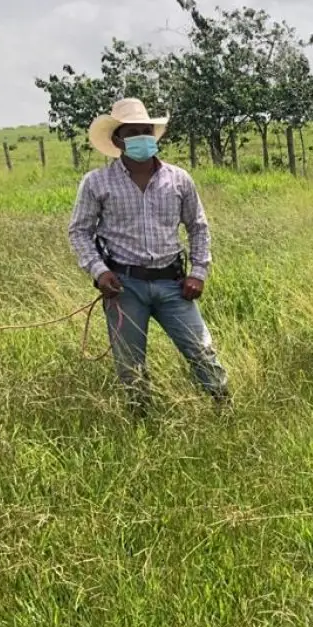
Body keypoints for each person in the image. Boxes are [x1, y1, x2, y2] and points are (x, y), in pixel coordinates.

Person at [68, 98, 229, 414]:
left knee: (201, 351)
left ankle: (225, 410)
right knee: (129, 364)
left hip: (173, 283)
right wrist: (99, 271)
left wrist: (198, 272)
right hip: (123, 286)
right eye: (133, 132)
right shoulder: (96, 182)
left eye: (146, 130)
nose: (142, 137)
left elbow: (198, 226)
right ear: (117, 139)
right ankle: (141, 421)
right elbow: (79, 232)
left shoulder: (178, 179)